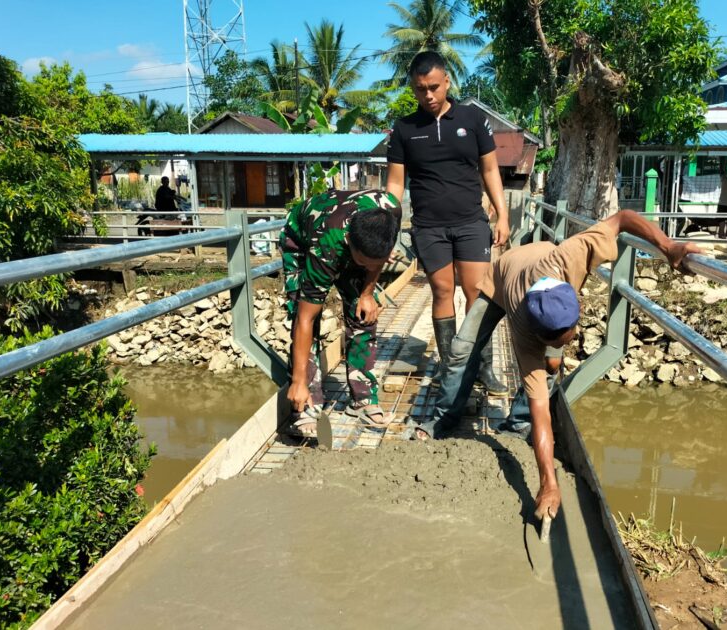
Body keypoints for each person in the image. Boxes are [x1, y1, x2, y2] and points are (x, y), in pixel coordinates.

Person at [408, 210, 700, 521]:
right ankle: (443, 419)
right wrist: (549, 482)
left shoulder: (569, 257)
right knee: (462, 349)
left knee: (550, 367)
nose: (562, 344)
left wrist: (668, 247)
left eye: (566, 339)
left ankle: (514, 426)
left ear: (578, 305)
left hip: (542, 268)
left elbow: (624, 218)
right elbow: (542, 412)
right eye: (553, 341)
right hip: (502, 277)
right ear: (535, 334)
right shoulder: (524, 332)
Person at [386, 51, 509, 398]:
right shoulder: (404, 129)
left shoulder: (473, 119)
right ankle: (450, 369)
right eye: (420, 89)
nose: (428, 95)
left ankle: (482, 367)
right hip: (429, 227)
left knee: (477, 293)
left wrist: (503, 215)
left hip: (471, 222)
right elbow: (395, 184)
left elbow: (489, 171)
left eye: (434, 87)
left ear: (447, 82)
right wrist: (387, 219)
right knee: (441, 292)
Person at [279, 189, 401, 437]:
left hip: (351, 241)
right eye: (363, 261)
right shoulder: (326, 248)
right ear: (348, 242)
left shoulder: (389, 211)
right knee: (304, 318)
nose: (369, 267)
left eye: (374, 262)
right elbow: (306, 317)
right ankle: (306, 403)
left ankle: (363, 398)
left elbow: (376, 260)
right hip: (302, 242)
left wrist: (367, 293)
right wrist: (298, 381)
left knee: (363, 312)